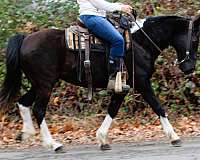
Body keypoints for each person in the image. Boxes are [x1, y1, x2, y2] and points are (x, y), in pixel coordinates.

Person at [77, 0, 132, 92]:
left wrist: (120, 5)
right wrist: (120, 7)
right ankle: (113, 79)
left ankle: (120, 75)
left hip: (99, 16)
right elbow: (99, 3)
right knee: (118, 40)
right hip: (91, 16)